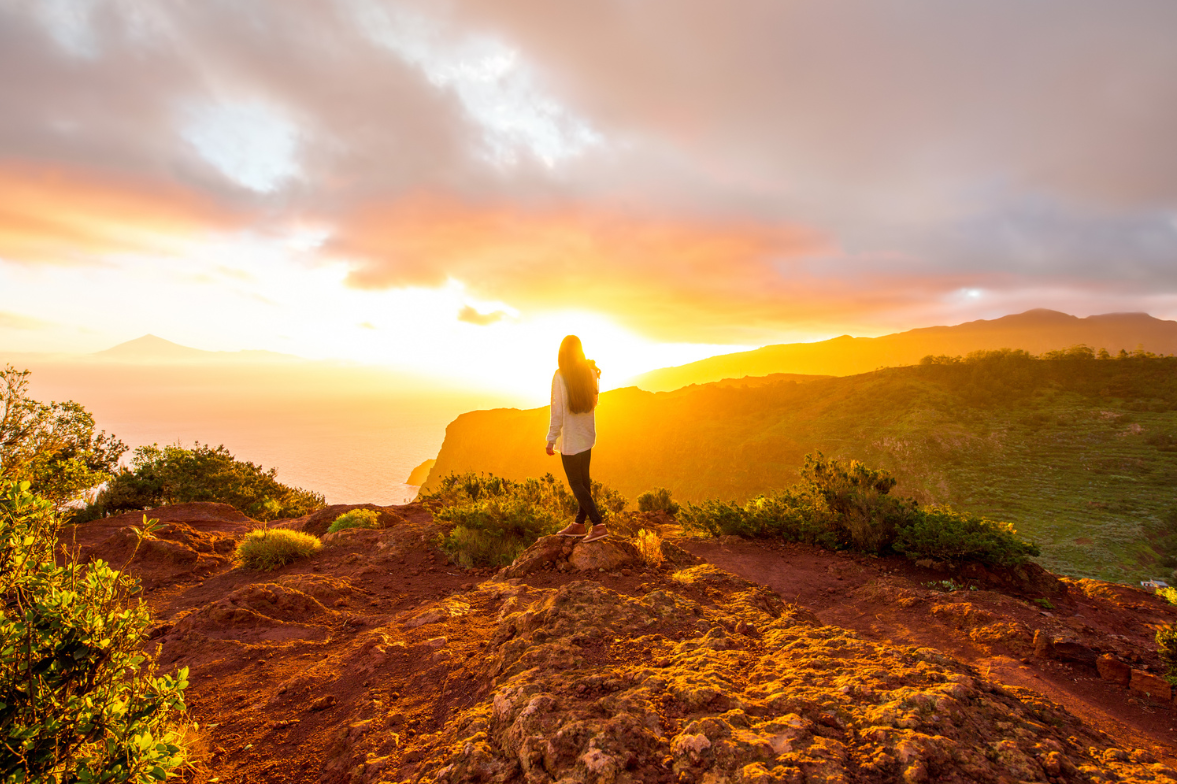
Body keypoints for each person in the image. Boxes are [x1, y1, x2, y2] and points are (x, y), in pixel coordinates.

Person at [545, 335, 607, 542]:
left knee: (576, 483)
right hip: (586, 436)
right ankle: (580, 524)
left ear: (562, 353)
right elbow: (595, 402)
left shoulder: (560, 376)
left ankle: (598, 524)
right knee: (584, 481)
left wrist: (551, 439)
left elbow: (557, 412)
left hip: (571, 439)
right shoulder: (590, 373)